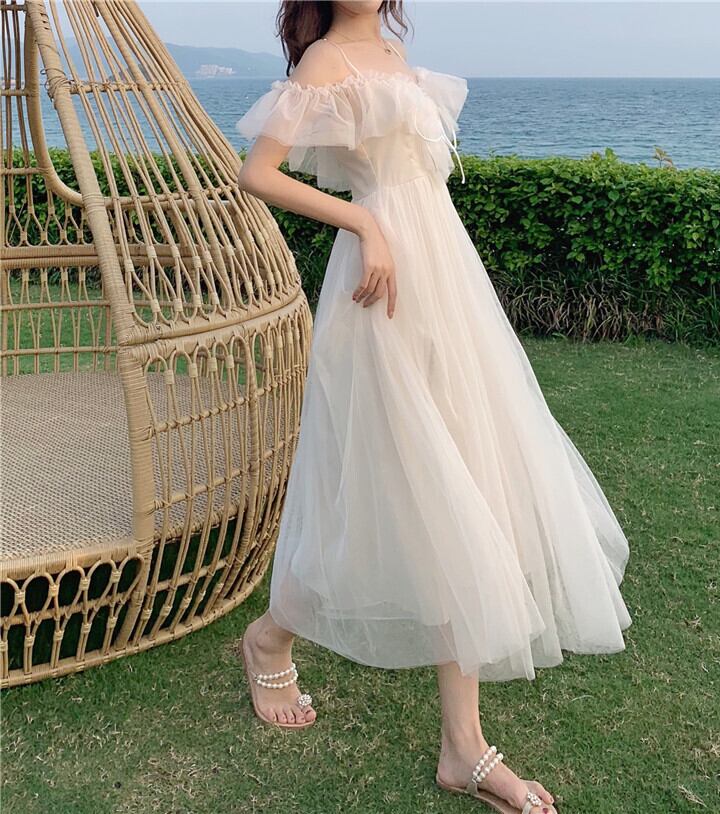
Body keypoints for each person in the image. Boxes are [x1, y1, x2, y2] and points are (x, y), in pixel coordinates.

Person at [235, 2, 632, 812]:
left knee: (470, 481)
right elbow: (258, 173)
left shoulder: (391, 53)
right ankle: (269, 638)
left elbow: (422, 185)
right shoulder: (323, 64)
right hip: (378, 290)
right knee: (373, 487)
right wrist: (363, 221)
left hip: (445, 277)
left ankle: (462, 745)